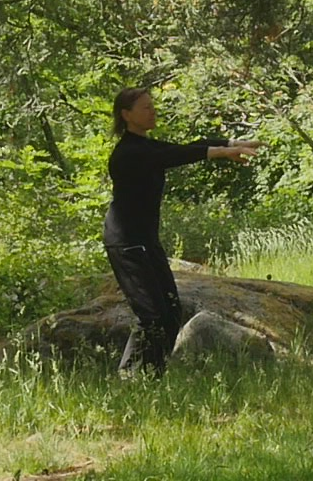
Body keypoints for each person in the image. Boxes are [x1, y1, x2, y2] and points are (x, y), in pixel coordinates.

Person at [101, 86, 261, 375]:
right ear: (126, 115)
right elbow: (178, 154)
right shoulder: (128, 153)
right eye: (146, 108)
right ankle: (130, 377)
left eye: (153, 106)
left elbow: (187, 146)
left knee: (171, 311)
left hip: (146, 241)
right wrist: (223, 152)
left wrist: (232, 143)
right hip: (126, 243)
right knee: (152, 316)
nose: (153, 112)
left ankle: (153, 376)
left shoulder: (146, 145)